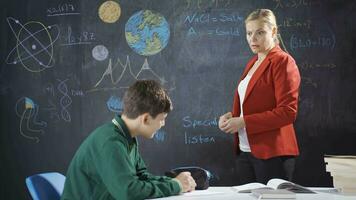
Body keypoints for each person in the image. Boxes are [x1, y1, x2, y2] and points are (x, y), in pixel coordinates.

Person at [61, 80, 197, 200]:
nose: (163, 124)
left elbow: (141, 177)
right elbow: (129, 192)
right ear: (146, 119)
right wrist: (175, 185)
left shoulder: (126, 137)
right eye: (162, 119)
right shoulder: (111, 142)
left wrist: (175, 181)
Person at [218, 9, 301, 185]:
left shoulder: (283, 62)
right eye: (249, 33)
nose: (252, 39)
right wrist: (231, 118)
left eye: (260, 32)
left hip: (272, 155)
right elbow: (251, 104)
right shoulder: (253, 62)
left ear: (273, 31)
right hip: (245, 152)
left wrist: (243, 121)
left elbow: (288, 112)